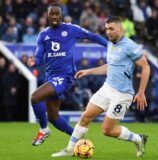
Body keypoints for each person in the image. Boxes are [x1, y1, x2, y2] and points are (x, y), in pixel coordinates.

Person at [51, 16, 150, 158]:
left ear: (120, 29)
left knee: (107, 130)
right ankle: (70, 149)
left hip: (122, 94)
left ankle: (138, 139)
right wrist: (89, 71)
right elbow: (110, 67)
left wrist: (141, 92)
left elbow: (145, 66)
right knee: (85, 116)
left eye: (111, 29)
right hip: (107, 88)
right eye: (106, 29)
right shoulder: (110, 44)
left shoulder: (130, 46)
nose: (108, 32)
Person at [27, 3, 108, 146]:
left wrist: (110, 46)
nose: (54, 17)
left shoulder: (71, 29)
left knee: (35, 97)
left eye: (56, 14)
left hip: (65, 76)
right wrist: (35, 61)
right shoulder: (43, 34)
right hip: (51, 77)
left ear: (61, 15)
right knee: (53, 116)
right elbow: (39, 58)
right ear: (47, 15)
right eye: (51, 14)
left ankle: (43, 130)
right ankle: (79, 141)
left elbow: (92, 36)